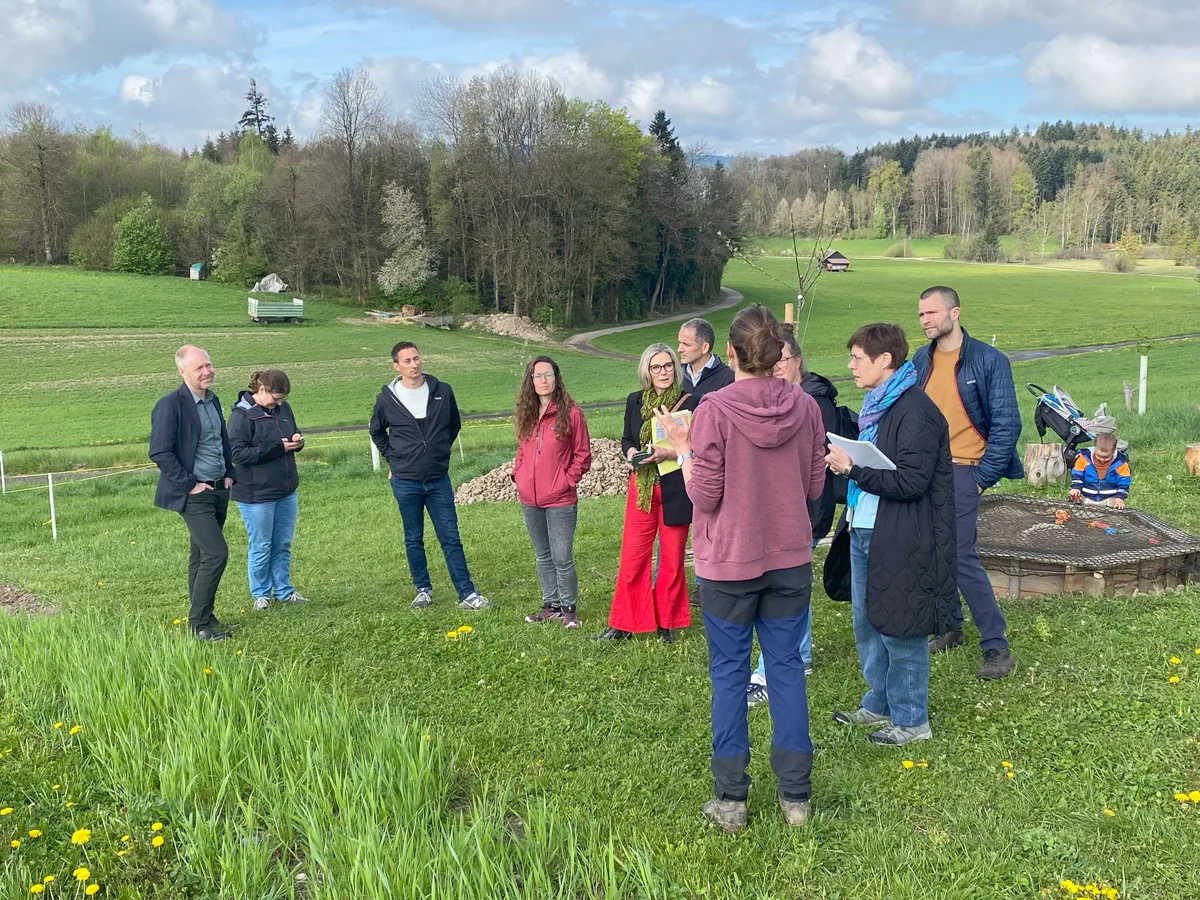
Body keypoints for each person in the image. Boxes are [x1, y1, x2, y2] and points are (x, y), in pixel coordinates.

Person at [655, 304, 826, 831]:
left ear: (729, 352)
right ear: (778, 353)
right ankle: (795, 797)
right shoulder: (805, 406)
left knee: (729, 675)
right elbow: (815, 486)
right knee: (786, 670)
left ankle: (731, 800)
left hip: (728, 564)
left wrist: (683, 451)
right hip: (789, 559)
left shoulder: (714, 409)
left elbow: (704, 495)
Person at [826, 323, 957, 747]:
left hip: (902, 534)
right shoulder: (878, 405)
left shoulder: (915, 410)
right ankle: (879, 702)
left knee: (901, 626)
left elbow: (913, 482)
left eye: (857, 358)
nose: (851, 366)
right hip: (865, 527)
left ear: (885, 360)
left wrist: (853, 469)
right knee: (868, 622)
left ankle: (912, 720)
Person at [913, 286, 1020, 680]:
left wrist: (980, 478)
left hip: (964, 469)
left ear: (954, 313)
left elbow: (1007, 424)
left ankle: (996, 647)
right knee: (930, 551)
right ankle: (950, 626)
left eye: (931, 313)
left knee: (959, 556)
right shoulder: (920, 360)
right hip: (926, 470)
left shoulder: (989, 360)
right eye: (920, 314)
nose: (924, 320)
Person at [745, 328, 837, 706]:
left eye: (783, 359)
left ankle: (771, 669)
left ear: (798, 360)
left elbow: (815, 467)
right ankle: (800, 655)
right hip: (788, 510)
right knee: (793, 590)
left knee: (782, 591)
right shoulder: (784, 400)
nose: (778, 366)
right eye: (773, 360)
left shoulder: (814, 404)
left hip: (806, 511)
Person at [369, 341, 491, 611]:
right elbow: (376, 431)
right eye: (407, 361)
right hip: (405, 481)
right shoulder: (387, 399)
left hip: (438, 480)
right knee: (414, 537)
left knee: (450, 537)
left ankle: (467, 593)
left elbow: (454, 425)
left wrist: (439, 451)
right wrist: (394, 459)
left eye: (416, 358)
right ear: (396, 366)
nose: (414, 364)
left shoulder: (442, 391)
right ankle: (422, 589)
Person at [593, 343, 694, 643]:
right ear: (646, 371)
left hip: (676, 489)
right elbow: (626, 438)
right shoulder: (635, 400)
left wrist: (668, 454)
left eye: (668, 365)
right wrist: (632, 453)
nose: (663, 372)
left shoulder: (692, 402)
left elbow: (698, 446)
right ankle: (624, 623)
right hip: (642, 487)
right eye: (656, 367)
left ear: (675, 368)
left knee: (672, 561)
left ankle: (666, 623)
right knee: (632, 558)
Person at [149, 345, 236, 642]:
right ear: (182, 372)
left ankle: (206, 618)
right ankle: (199, 624)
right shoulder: (170, 405)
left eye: (209, 365)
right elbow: (160, 452)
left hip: (219, 488)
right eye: (199, 367)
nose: (207, 371)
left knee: (200, 555)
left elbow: (221, 440)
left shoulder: (213, 400)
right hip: (194, 494)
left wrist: (229, 473)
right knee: (216, 553)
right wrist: (190, 484)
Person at [514, 356, 592, 629]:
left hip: (560, 499)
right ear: (531, 381)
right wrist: (519, 475)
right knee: (543, 555)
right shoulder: (526, 413)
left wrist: (565, 481)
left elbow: (582, 455)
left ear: (556, 378)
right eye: (538, 376)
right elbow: (521, 451)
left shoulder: (571, 413)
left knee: (561, 557)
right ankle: (550, 606)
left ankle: (569, 609)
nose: (543, 380)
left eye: (548, 375)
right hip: (529, 498)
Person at [228, 369, 307, 611]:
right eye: (276, 398)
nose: (279, 403)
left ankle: (284, 590)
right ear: (261, 389)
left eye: (283, 399)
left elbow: (288, 436)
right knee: (262, 544)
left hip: (285, 489)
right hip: (255, 494)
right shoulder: (241, 416)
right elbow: (236, 454)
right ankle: (260, 594)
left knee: (282, 543)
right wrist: (277, 448)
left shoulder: (284, 409)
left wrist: (297, 441)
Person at [677, 317, 734, 606]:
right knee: (676, 520)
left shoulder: (727, 378)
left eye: (685, 344)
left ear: (705, 347)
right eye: (679, 343)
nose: (679, 349)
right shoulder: (677, 376)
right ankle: (669, 579)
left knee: (708, 519)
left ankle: (704, 582)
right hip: (678, 457)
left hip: (713, 459)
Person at [1069, 430, 1130, 508]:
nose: (1102, 460)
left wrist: (1120, 498)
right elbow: (1077, 474)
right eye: (1099, 456)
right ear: (1094, 448)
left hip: (1111, 498)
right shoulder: (1084, 458)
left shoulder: (1120, 463)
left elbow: (1124, 482)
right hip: (1087, 496)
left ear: (1113, 451)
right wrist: (1076, 488)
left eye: (1106, 457)